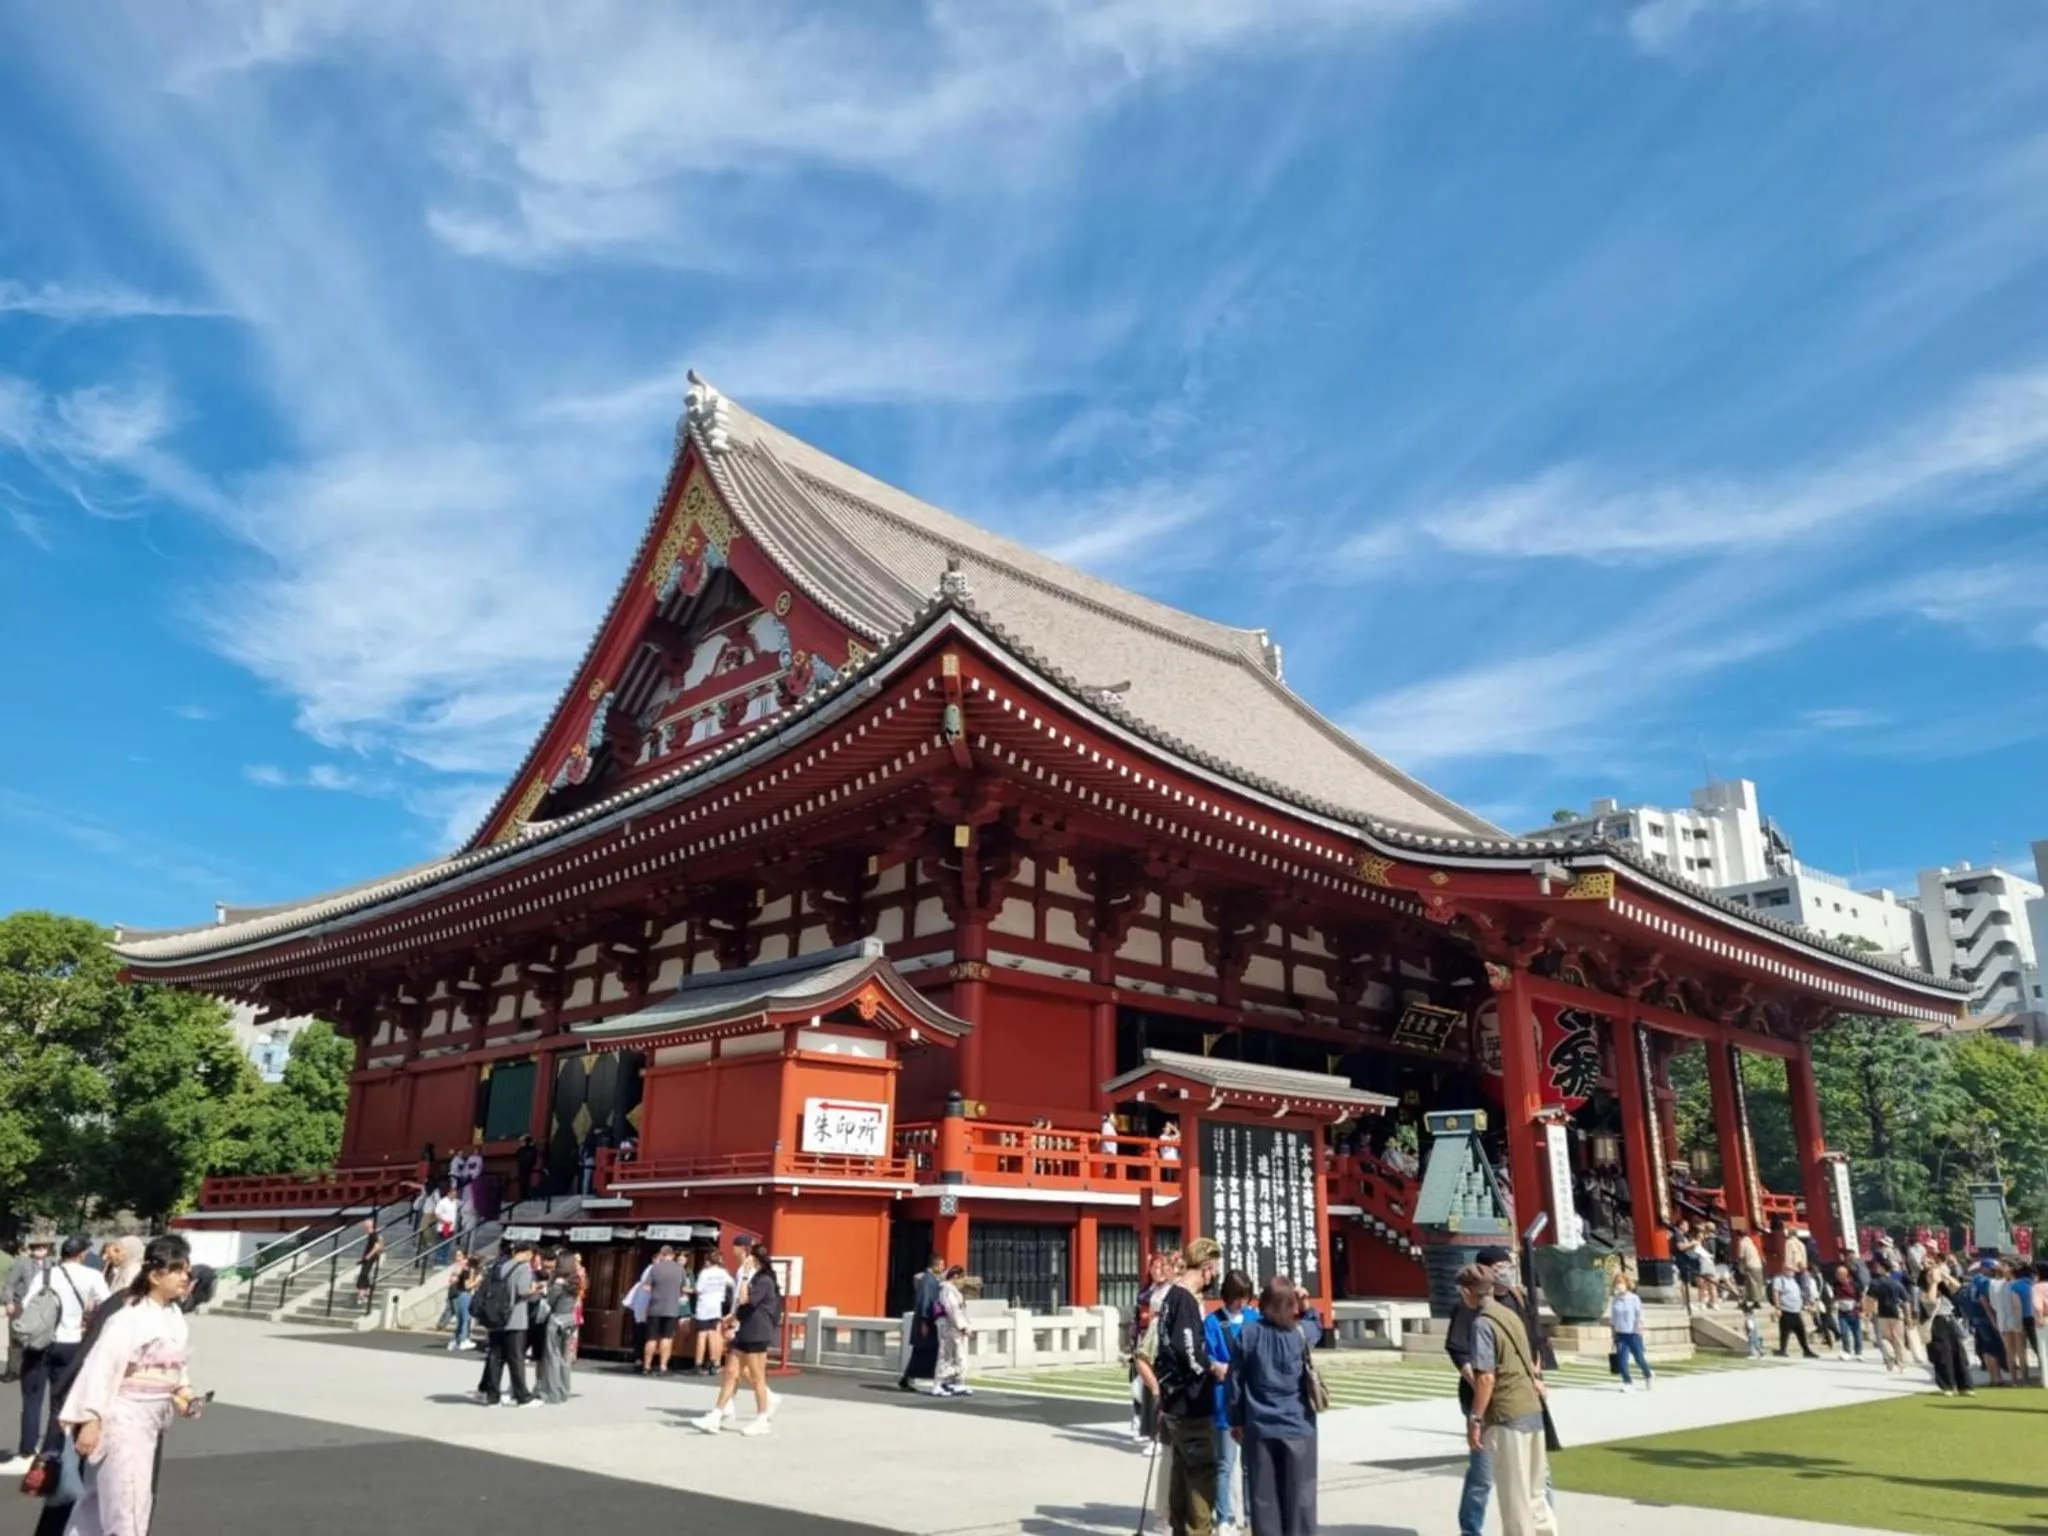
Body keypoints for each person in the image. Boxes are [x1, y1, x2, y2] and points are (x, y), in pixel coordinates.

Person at [56, 1234, 204, 1536]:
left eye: (186, 1270)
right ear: (154, 1275)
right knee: (127, 1499)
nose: (184, 1278)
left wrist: (183, 1392)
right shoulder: (127, 1318)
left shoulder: (174, 1316)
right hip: (123, 1417)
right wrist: (91, 1418)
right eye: (176, 1270)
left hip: (150, 1417)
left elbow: (176, 1367)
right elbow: (100, 1368)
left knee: (101, 1501)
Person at [1445, 1245, 1548, 1536]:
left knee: (1515, 1501)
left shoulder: (1483, 1322)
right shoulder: (1508, 1312)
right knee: (1535, 1495)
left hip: (1504, 1413)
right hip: (1531, 1408)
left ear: (1467, 1292)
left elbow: (1486, 1377)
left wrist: (1476, 1418)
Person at [6, 1235, 109, 1476]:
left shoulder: (45, 1275)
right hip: (70, 1343)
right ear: (82, 1254)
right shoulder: (92, 1276)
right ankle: (50, 1451)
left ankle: (27, 1450)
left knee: (32, 1399)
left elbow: (30, 1303)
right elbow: (105, 1304)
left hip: (39, 1343)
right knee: (60, 1401)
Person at [1227, 1276, 1321, 1536]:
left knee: (1264, 1499)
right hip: (1297, 1424)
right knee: (1300, 1498)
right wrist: (1307, 1304)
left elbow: (1234, 1381)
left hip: (1259, 1426)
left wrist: (1236, 1419)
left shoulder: (1248, 1333)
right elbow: (1316, 1324)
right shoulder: (1299, 1333)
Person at [1154, 1237, 1223, 1536]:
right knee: (1200, 1476)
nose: (1216, 1276)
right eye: (1216, 1268)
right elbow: (1188, 1351)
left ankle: (1180, 1527)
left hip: (1174, 1400)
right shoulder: (1184, 1300)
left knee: (1182, 1473)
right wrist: (1213, 1368)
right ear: (1207, 1268)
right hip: (1190, 1401)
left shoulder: (1171, 1297)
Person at [695, 1246, 782, 1436]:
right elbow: (742, 1305)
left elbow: (745, 1299)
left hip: (757, 1331)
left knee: (757, 1376)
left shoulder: (764, 1281)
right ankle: (716, 1414)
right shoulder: (756, 1278)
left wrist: (744, 1278)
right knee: (731, 1372)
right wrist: (733, 1317)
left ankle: (762, 1416)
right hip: (744, 1329)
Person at [1203, 1271, 1253, 1535]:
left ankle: (1251, 1514)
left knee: (1250, 1465)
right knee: (1225, 1463)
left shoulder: (1255, 1319)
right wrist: (1214, 1365)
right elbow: (1206, 1354)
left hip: (1251, 1401)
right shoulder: (1212, 1322)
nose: (1241, 1304)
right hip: (1224, 1400)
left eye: (1245, 1298)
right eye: (1238, 1298)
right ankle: (1224, 1516)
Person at [472, 1240, 539, 1408]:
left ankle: (492, 1396)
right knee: (516, 1358)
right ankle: (522, 1396)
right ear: (528, 1253)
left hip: (495, 1318)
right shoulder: (523, 1268)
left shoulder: (500, 1266)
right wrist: (536, 1290)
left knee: (495, 1357)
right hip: (514, 1318)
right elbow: (523, 1291)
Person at [2, 1234, 55, 1391]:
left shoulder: (52, 1264)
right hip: (21, 1303)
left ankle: (33, 1368)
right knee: (16, 1337)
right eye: (37, 1248)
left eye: (43, 1247)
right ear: (32, 1249)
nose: (40, 1250)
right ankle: (13, 1369)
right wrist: (9, 1301)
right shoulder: (22, 1264)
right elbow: (9, 1284)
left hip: (43, 1305)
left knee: (40, 1337)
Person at [635, 1245, 688, 1376]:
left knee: (651, 1338)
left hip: (655, 1308)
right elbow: (683, 1289)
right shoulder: (680, 1269)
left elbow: (646, 1288)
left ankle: (647, 1366)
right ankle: (663, 1366)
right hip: (671, 1308)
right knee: (667, 1338)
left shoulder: (654, 1268)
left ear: (662, 1254)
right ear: (672, 1255)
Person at [537, 1251, 579, 1404]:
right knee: (564, 1357)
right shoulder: (575, 1280)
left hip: (557, 1319)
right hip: (570, 1318)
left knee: (552, 1356)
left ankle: (552, 1393)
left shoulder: (558, 1282)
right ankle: (564, 1390)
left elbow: (551, 1302)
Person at [899, 1254, 944, 1392]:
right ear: (935, 1265)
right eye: (941, 1265)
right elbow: (924, 1301)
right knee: (924, 1349)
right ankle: (911, 1377)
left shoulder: (931, 1279)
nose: (943, 1268)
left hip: (928, 1320)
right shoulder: (927, 1280)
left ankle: (908, 1378)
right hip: (925, 1321)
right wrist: (924, 1321)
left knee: (921, 1351)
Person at [931, 1264, 974, 1398]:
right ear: (955, 1277)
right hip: (949, 1327)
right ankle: (938, 1384)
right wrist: (963, 1326)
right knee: (945, 1355)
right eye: (961, 1278)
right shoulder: (947, 1290)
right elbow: (952, 1310)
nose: (963, 1281)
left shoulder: (953, 1290)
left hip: (954, 1327)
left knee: (958, 1355)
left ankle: (957, 1381)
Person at [691, 1248, 735, 1375]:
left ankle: (698, 1364)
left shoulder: (704, 1273)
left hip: (704, 1305)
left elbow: (698, 1289)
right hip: (716, 1306)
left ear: (708, 1261)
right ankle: (713, 1362)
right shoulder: (723, 1273)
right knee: (713, 1334)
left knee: (701, 1335)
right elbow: (732, 1284)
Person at [1609, 1270, 1651, 1392]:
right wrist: (1613, 1331)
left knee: (1639, 1358)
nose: (1618, 1285)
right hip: (1621, 1333)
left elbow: (1639, 1313)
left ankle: (1647, 1374)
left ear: (1626, 1284)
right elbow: (1613, 1316)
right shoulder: (1615, 1300)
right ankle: (1627, 1382)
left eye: (1620, 1282)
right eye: (1616, 1283)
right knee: (1622, 1360)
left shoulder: (1634, 1298)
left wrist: (1639, 1325)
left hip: (1633, 1333)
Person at [1868, 1258, 1912, 1373]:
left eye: (1879, 1266)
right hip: (1897, 1314)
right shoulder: (1897, 1284)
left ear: (1883, 1268)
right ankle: (1902, 1364)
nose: (1877, 1268)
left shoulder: (1874, 1283)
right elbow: (1906, 1301)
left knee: (1884, 1338)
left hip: (1882, 1314)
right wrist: (1908, 1317)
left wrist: (1869, 1313)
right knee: (1899, 1339)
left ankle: (1889, 1355)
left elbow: (1870, 1300)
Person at [1772, 1265, 1816, 1358]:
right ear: (1785, 1270)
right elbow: (1776, 1293)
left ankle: (1806, 1350)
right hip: (1786, 1309)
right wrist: (1778, 1308)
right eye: (1790, 1270)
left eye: (1793, 1271)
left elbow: (1798, 1294)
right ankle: (1782, 1350)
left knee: (1801, 1331)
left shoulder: (1793, 1281)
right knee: (1785, 1331)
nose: (1792, 1272)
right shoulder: (1779, 1279)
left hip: (1796, 1310)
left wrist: (1805, 1305)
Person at [442, 1252, 479, 1351]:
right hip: (464, 1295)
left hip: (458, 1295)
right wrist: (477, 1280)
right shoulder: (468, 1271)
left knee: (461, 1320)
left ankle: (454, 1341)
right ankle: (463, 1340)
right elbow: (467, 1286)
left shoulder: (464, 1270)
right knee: (465, 1319)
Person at [1831, 1262, 1865, 1360]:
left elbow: (1861, 1297)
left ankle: (1858, 1352)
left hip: (1854, 1311)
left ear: (1845, 1275)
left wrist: (1862, 1310)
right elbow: (1835, 1296)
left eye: (1840, 1274)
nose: (1838, 1276)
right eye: (1837, 1274)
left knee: (1857, 1332)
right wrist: (1834, 1304)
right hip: (1842, 1312)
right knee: (1844, 1332)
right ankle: (1846, 1351)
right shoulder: (1836, 1285)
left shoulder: (1855, 1284)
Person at [352, 1219, 384, 1310]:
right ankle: (365, 1292)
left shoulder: (373, 1234)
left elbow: (376, 1246)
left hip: (370, 1258)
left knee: (363, 1274)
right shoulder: (372, 1234)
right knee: (363, 1274)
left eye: (365, 1226)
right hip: (369, 1258)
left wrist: (368, 1257)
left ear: (368, 1226)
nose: (364, 1228)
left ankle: (364, 1294)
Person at [431, 1188, 461, 1268]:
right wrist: (444, 1222)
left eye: (455, 1193)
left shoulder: (455, 1202)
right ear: (448, 1193)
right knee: (441, 1244)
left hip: (451, 1227)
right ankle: (438, 1262)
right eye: (453, 1193)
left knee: (447, 1245)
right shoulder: (442, 1202)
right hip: (443, 1226)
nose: (455, 1195)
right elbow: (437, 1214)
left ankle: (444, 1260)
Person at [514, 1134, 540, 1206]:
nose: (521, 1143)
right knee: (523, 1183)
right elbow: (518, 1157)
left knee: (527, 1182)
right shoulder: (521, 1150)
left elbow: (533, 1159)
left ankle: (527, 1196)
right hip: (522, 1169)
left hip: (528, 1169)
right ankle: (523, 1196)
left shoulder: (531, 1150)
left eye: (523, 1141)